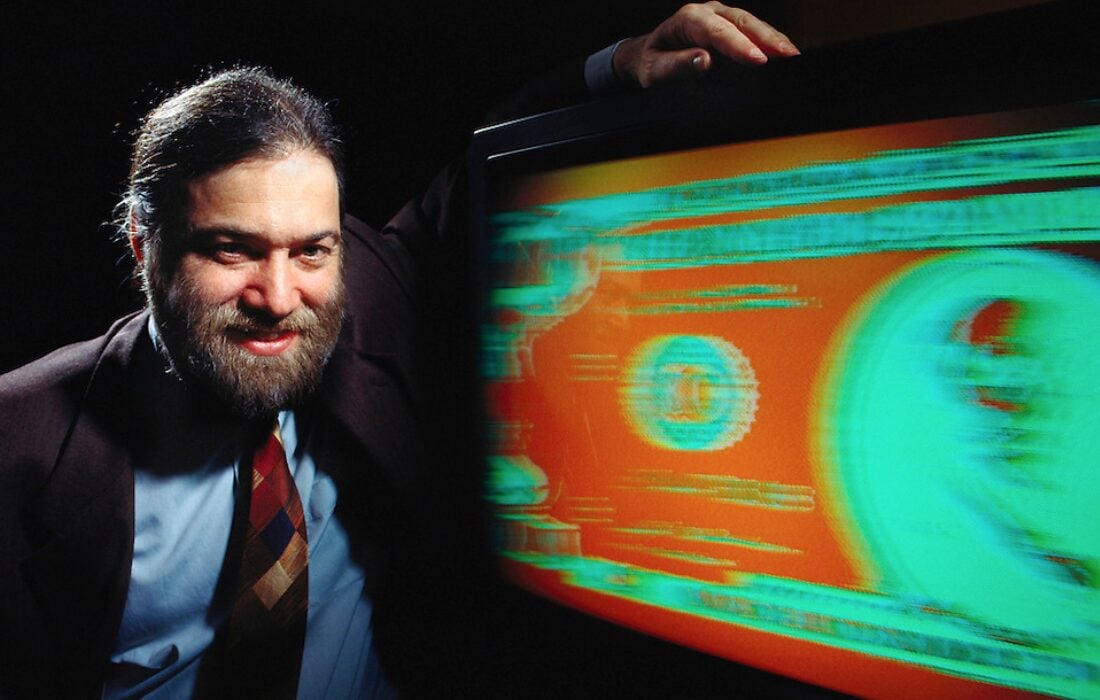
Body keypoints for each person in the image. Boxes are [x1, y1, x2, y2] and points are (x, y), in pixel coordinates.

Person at [0, 4, 797, 698]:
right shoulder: (21, 444)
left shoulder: (368, 295)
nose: (278, 295)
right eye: (231, 249)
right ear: (144, 244)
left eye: (311, 251)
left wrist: (618, 66)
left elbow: (478, 182)